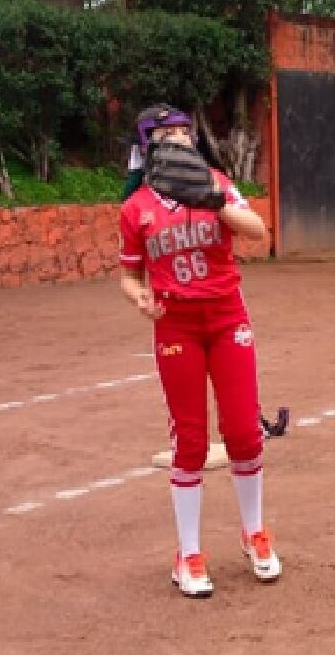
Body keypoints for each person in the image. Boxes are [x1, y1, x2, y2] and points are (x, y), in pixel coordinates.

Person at [117, 105, 276, 599]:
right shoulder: (137, 207)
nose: (180, 139)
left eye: (184, 132)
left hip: (227, 317)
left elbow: (258, 233)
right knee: (189, 440)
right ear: (148, 147)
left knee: (244, 432)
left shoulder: (216, 184)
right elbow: (129, 273)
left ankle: (254, 534)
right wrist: (137, 296)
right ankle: (187, 554)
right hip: (176, 325)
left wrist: (207, 197)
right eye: (167, 134)